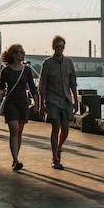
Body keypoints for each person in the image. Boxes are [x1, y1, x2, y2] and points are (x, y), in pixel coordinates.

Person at [38, 35, 79, 170]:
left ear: (64, 47)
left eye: (61, 46)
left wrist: (76, 100)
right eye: (57, 46)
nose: (59, 48)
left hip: (66, 99)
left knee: (65, 129)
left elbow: (73, 82)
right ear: (53, 47)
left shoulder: (69, 63)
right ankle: (55, 158)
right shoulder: (47, 63)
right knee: (55, 127)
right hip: (52, 99)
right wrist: (41, 104)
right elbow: (42, 85)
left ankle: (59, 148)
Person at [0, 45, 39, 171]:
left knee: (19, 132)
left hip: (23, 103)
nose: (23, 54)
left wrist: (36, 103)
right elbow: (1, 87)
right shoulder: (6, 71)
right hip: (11, 103)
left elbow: (33, 88)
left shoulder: (26, 70)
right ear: (15, 54)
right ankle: (16, 160)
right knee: (14, 130)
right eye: (21, 52)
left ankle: (15, 157)